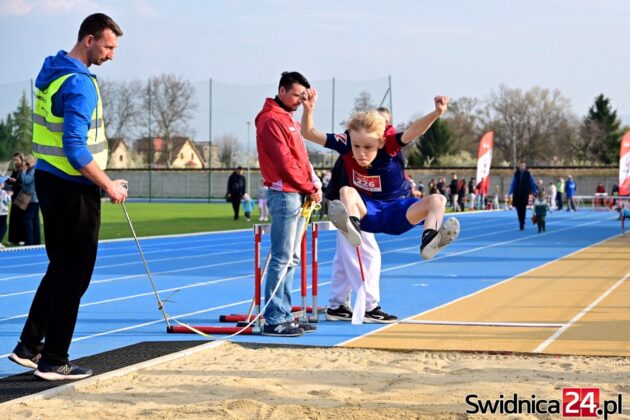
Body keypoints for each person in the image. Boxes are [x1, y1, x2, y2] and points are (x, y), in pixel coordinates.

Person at [8, 13, 128, 381]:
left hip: (50, 181)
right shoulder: (78, 83)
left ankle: (29, 346)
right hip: (73, 188)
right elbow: (75, 148)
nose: (111, 55)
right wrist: (108, 185)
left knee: (61, 268)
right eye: (108, 46)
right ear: (89, 39)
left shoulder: (52, 71)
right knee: (74, 275)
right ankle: (54, 359)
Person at [301, 89, 459, 263]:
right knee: (346, 191)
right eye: (356, 146)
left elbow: (415, 131)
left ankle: (430, 240)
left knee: (438, 200)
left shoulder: (389, 143)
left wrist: (436, 113)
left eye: (368, 147)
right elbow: (308, 132)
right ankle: (351, 226)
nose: (361, 153)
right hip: (366, 213)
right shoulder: (344, 142)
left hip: (399, 212)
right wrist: (308, 109)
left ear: (381, 141)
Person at [255, 71, 322, 337]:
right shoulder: (271, 119)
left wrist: (312, 183)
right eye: (296, 95)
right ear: (281, 91)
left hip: (298, 193)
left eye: (303, 97)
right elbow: (285, 163)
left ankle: (284, 314)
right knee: (281, 258)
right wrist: (309, 187)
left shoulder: (288, 118)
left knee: (292, 259)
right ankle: (273, 319)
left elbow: (301, 158)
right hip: (285, 194)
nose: (299, 101)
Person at [324, 107, 398, 324]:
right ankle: (369, 306)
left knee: (343, 258)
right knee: (367, 256)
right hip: (350, 209)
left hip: (355, 207)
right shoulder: (358, 151)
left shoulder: (373, 152)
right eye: (384, 126)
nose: (387, 132)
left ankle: (337, 305)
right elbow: (343, 182)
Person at [508, 161, 538, 231]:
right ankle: (520, 222)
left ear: (525, 166)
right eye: (521, 166)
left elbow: (532, 182)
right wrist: (510, 192)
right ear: (519, 166)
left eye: (523, 166)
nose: (522, 167)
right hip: (517, 193)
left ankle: (522, 223)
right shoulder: (516, 174)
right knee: (518, 209)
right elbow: (513, 183)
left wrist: (535, 190)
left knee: (523, 209)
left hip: (524, 194)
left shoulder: (528, 174)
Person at [19, 155, 41, 246]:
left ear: (31, 162)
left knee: (27, 219)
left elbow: (26, 180)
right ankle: (36, 241)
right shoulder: (34, 169)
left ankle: (29, 241)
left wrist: (23, 171)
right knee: (35, 220)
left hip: (32, 198)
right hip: (33, 198)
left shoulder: (33, 170)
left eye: (27, 163)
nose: (26, 165)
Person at [7, 152, 26, 245]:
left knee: (21, 217)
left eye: (17, 160)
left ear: (22, 160)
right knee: (14, 217)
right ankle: (13, 239)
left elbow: (24, 182)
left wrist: (15, 181)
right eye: (14, 160)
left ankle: (22, 238)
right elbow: (11, 181)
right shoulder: (15, 170)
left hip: (22, 195)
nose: (15, 162)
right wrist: (8, 180)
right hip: (14, 196)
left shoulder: (24, 169)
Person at [0, 176, 11, 249]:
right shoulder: (3, 192)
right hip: (2, 213)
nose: (4, 183)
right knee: (3, 228)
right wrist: (9, 195)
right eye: (3, 182)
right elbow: (7, 201)